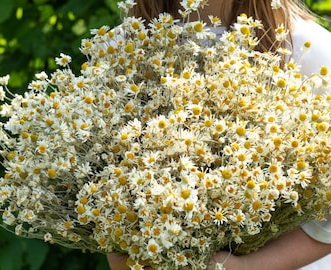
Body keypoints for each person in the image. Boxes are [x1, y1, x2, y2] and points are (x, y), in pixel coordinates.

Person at [107, 0, 331, 269]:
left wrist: (249, 266)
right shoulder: (125, 43)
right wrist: (122, 254)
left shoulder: (305, 48)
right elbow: (106, 175)